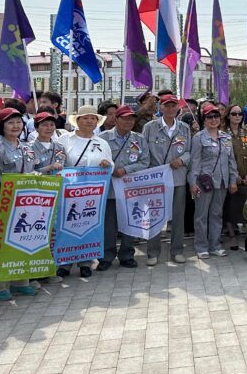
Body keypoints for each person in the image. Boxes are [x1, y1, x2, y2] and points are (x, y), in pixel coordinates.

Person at [59, 105, 115, 278]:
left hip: (92, 194)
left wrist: (107, 164)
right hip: (69, 192)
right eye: (85, 118)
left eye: (93, 118)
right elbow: (58, 160)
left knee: (88, 225)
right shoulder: (65, 139)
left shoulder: (102, 143)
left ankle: (85, 262)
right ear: (78, 120)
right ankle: (65, 263)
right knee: (68, 226)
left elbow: (111, 165)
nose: (89, 121)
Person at [0, 108, 37, 300]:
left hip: (26, 203)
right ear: (2, 126)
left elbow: (33, 168)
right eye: (10, 122)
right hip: (5, 202)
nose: (16, 126)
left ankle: (21, 282)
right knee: (1, 243)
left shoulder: (27, 147)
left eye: (18, 122)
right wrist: (20, 179)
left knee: (23, 239)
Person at [142, 94, 191, 263]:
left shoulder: (184, 127)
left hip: (177, 178)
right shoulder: (150, 127)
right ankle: (153, 253)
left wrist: (181, 160)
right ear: (160, 107)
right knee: (154, 215)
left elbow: (189, 151)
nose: (170, 109)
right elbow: (143, 152)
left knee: (178, 216)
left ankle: (177, 251)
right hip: (156, 178)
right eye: (166, 105)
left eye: (173, 105)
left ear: (178, 107)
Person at [100, 105, 150, 269]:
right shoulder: (103, 138)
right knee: (109, 225)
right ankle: (106, 256)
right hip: (110, 189)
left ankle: (127, 255)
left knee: (131, 222)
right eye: (125, 118)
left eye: (131, 119)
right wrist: (110, 168)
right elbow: (96, 161)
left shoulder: (139, 139)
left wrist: (126, 170)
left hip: (131, 189)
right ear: (116, 119)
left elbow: (145, 162)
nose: (129, 122)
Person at [189, 103, 239, 259]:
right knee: (201, 215)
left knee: (217, 214)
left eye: (216, 116)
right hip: (204, 182)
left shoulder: (226, 137)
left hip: (222, 181)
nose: (213, 119)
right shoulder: (198, 137)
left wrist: (233, 180)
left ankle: (215, 245)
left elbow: (231, 161)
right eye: (209, 117)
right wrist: (192, 182)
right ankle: (201, 247)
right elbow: (195, 161)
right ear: (204, 119)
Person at [223, 103, 247, 250]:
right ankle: (232, 236)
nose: (237, 116)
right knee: (230, 206)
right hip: (230, 176)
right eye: (234, 114)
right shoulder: (223, 134)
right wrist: (233, 175)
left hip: (246, 175)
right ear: (228, 116)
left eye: (240, 114)